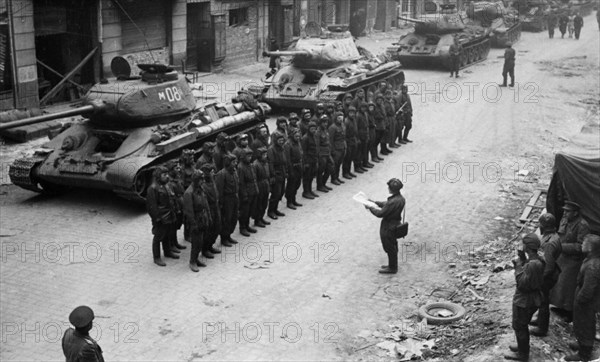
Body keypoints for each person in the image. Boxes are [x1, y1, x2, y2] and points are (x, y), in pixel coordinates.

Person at [504, 234, 545, 361]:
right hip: (532, 298)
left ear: (527, 246)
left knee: (520, 325)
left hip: (524, 300)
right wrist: (523, 258)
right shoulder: (539, 260)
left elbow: (522, 284)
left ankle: (523, 353)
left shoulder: (532, 265)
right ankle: (522, 347)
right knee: (522, 324)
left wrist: (517, 266)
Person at [550, 201, 590, 322]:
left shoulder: (583, 225)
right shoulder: (565, 220)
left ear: (575, 213)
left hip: (573, 261)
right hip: (562, 257)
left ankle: (569, 313)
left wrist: (562, 247)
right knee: (558, 284)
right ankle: (560, 307)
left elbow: (580, 247)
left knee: (568, 287)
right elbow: (560, 235)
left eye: (568, 211)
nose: (565, 213)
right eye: (565, 210)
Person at [565, 234, 600, 362]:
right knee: (580, 323)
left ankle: (584, 353)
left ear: (590, 248)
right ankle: (581, 344)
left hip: (587, 302)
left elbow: (589, 289)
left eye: (584, 244)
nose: (582, 245)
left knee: (585, 325)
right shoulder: (590, 259)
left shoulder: (593, 266)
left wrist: (580, 300)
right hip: (583, 299)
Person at [530, 213, 562, 337]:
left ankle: (542, 328)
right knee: (543, 300)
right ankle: (539, 321)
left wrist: (539, 278)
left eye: (540, 224)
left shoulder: (549, 243)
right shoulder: (553, 236)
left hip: (547, 276)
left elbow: (548, 266)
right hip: (550, 273)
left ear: (544, 226)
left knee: (543, 301)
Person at [365, 178, 405, 274]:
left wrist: (370, 207)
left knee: (389, 246)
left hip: (388, 226)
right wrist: (375, 202)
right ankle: (392, 265)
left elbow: (380, 213)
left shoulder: (392, 202)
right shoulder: (400, 198)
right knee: (393, 245)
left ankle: (392, 268)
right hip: (395, 223)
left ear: (391, 189)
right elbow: (385, 204)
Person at [146, 166, 179, 266]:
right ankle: (156, 257)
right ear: (158, 176)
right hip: (161, 217)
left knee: (167, 234)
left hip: (169, 215)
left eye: (167, 174)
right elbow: (152, 206)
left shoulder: (166, 185)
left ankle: (167, 251)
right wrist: (157, 218)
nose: (167, 176)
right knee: (158, 237)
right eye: (164, 175)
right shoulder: (152, 188)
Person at [183, 170, 211, 272]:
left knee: (201, 241)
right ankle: (192, 261)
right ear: (195, 180)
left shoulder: (200, 188)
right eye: (201, 179)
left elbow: (205, 202)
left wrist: (208, 215)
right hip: (196, 219)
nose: (203, 181)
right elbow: (189, 211)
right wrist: (193, 224)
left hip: (202, 217)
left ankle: (196, 259)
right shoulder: (188, 193)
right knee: (196, 242)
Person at [215, 154, 239, 247]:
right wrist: (221, 203)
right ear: (228, 163)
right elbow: (220, 190)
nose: (235, 164)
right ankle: (224, 238)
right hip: (226, 199)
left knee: (234, 217)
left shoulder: (234, 171)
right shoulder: (222, 174)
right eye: (233, 162)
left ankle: (229, 235)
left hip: (234, 197)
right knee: (226, 219)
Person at [199, 163, 222, 259]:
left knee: (217, 227)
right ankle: (205, 249)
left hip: (215, 207)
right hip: (209, 209)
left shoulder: (212, 181)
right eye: (211, 172)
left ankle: (210, 245)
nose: (214, 173)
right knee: (208, 230)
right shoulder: (203, 186)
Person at [238, 149, 259, 237]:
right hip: (246, 193)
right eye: (248, 156)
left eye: (250, 156)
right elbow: (241, 183)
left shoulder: (250, 165)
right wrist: (244, 195)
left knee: (250, 210)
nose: (250, 158)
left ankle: (247, 226)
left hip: (252, 191)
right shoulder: (240, 167)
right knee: (244, 212)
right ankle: (242, 227)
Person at [267, 132, 288, 219]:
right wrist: (273, 175)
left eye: (282, 140)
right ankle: (271, 211)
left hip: (282, 173)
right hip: (276, 174)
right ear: (276, 140)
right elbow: (271, 163)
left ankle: (275, 209)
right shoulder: (271, 149)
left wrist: (286, 171)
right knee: (276, 194)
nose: (281, 142)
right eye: (279, 140)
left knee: (281, 192)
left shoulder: (281, 148)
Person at [284, 128, 304, 209]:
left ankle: (294, 199)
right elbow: (287, 159)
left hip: (299, 166)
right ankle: (289, 201)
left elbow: (301, 153)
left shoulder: (298, 143)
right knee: (291, 185)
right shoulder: (288, 144)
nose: (298, 137)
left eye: (299, 136)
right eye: (296, 136)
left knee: (297, 184)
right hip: (292, 167)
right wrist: (290, 170)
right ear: (292, 135)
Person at [252, 147, 271, 227]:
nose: (265, 156)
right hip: (260, 184)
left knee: (264, 203)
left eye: (266, 154)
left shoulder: (266, 163)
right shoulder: (255, 164)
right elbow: (254, 178)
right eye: (263, 155)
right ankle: (257, 220)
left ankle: (261, 217)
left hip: (265, 183)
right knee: (259, 204)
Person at [315, 115, 334, 193]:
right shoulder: (318, 132)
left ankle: (323, 183)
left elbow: (328, 141)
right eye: (323, 122)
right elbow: (317, 145)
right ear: (320, 123)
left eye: (326, 122)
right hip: (322, 154)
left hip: (327, 152)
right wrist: (318, 155)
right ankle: (320, 186)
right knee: (321, 170)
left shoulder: (326, 130)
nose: (325, 124)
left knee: (330, 167)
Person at [301, 121, 319, 199]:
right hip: (308, 160)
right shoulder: (305, 138)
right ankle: (306, 192)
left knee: (311, 176)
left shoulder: (314, 136)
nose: (313, 130)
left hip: (314, 159)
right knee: (307, 177)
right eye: (312, 129)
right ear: (309, 129)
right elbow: (303, 151)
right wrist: (305, 163)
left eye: (314, 129)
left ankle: (310, 190)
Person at [343, 106, 363, 177]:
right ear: (348, 113)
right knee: (347, 158)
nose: (352, 114)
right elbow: (344, 133)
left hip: (353, 140)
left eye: (353, 113)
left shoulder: (354, 120)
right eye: (351, 113)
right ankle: (345, 172)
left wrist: (357, 139)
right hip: (348, 141)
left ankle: (348, 171)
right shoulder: (346, 121)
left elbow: (356, 130)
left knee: (351, 157)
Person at [329, 112, 347, 183]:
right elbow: (331, 140)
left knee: (339, 164)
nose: (340, 120)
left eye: (341, 118)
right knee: (335, 165)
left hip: (342, 147)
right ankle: (333, 179)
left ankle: (337, 177)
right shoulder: (332, 127)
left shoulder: (342, 125)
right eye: (339, 118)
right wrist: (332, 150)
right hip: (336, 149)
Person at [356, 102, 373, 170]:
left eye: (365, 107)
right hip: (360, 135)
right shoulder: (358, 115)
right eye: (362, 107)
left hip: (365, 134)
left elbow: (367, 125)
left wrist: (367, 135)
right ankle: (357, 166)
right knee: (359, 152)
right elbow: (356, 127)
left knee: (364, 150)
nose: (364, 109)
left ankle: (364, 163)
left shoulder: (365, 114)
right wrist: (357, 138)